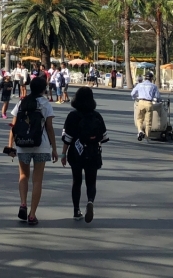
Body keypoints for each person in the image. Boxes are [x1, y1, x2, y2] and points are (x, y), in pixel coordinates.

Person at [6, 76, 57, 226]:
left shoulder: (22, 102)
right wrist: (54, 148)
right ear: (43, 89)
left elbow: (13, 126)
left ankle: (23, 203)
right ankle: (32, 214)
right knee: (37, 180)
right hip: (41, 145)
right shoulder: (46, 104)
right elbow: (49, 128)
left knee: (23, 175)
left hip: (22, 144)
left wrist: (10, 146)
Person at [61, 87, 109, 223]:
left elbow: (67, 138)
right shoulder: (96, 116)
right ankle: (90, 201)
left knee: (76, 181)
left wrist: (63, 154)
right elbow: (104, 137)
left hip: (76, 153)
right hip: (92, 152)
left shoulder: (72, 116)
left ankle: (76, 210)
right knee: (91, 181)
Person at [131, 74, 160, 141]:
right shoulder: (154, 86)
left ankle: (140, 131)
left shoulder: (139, 85)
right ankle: (147, 137)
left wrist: (135, 98)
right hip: (149, 103)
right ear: (151, 79)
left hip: (141, 102)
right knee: (148, 122)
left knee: (139, 119)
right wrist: (157, 100)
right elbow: (158, 97)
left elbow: (132, 93)